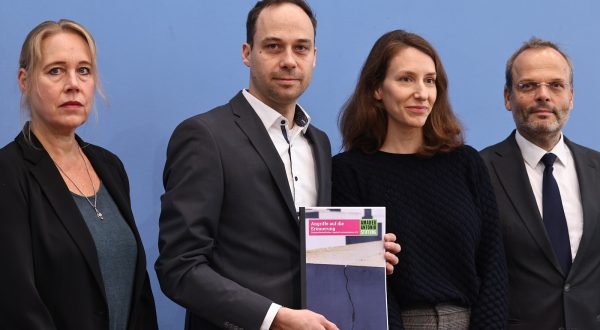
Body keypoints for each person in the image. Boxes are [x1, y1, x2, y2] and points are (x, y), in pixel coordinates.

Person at [155, 1, 400, 329]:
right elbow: (179, 268)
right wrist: (273, 318)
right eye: (273, 46)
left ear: (314, 56)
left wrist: (357, 255)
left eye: (301, 48)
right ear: (247, 53)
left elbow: (308, 250)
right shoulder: (204, 136)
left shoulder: (319, 142)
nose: (288, 60)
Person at [332, 30, 508, 329]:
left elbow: (493, 265)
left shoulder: (466, 163)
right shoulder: (347, 173)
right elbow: (361, 282)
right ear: (377, 88)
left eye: (430, 80)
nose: (422, 93)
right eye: (406, 79)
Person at [0, 19, 158, 330]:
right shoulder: (9, 172)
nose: (73, 83)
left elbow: (137, 294)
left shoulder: (109, 166)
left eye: (83, 70)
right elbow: (16, 305)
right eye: (55, 71)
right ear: (25, 80)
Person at [480, 38, 600, 329]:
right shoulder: (478, 171)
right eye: (528, 86)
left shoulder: (598, 168)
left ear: (571, 96)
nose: (543, 96)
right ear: (508, 97)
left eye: (556, 86)